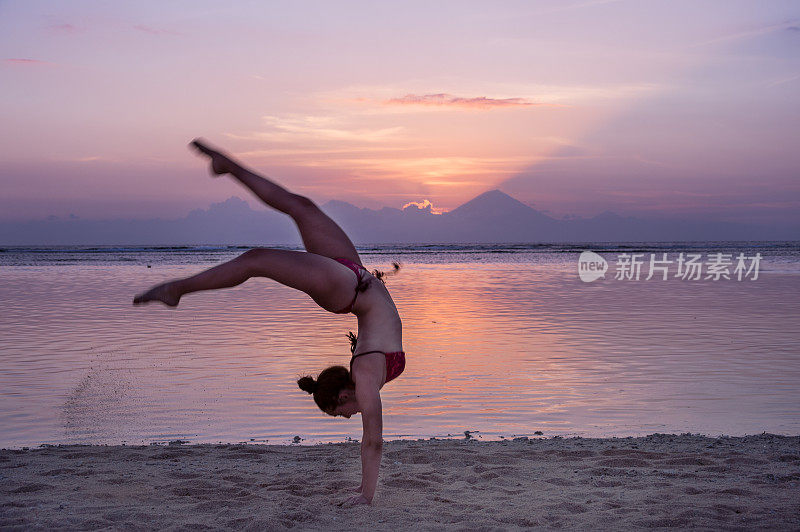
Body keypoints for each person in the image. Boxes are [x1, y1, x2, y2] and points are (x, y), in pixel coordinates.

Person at [133, 139, 405, 506]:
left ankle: (228, 168)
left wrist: (361, 491)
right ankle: (178, 290)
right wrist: (366, 496)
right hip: (348, 287)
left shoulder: (366, 373)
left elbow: (369, 439)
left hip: (353, 282)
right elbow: (373, 439)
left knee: (297, 211)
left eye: (342, 415)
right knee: (262, 253)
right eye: (343, 414)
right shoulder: (367, 378)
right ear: (342, 396)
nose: (349, 416)